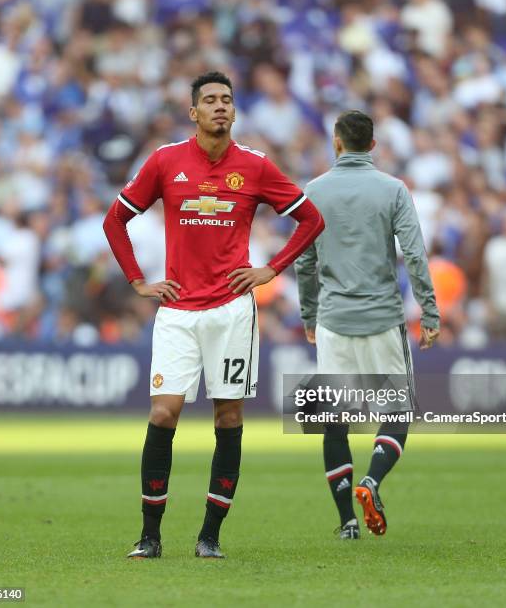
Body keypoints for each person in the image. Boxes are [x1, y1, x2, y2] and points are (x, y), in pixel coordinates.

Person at [103, 71, 324, 558]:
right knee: (164, 413)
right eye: (210, 100)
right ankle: (150, 535)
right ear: (194, 112)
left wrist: (272, 268)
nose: (220, 106)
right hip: (178, 309)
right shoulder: (165, 161)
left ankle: (210, 537)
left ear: (234, 110)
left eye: (226, 99)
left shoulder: (256, 166)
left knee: (227, 416)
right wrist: (139, 281)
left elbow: (312, 218)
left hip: (231, 311)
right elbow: (114, 219)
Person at [294, 110, 439, 539]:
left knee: (333, 421)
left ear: (336, 142)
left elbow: (305, 260)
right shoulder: (393, 189)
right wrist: (429, 312)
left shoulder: (314, 191)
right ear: (372, 146)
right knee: (397, 412)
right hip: (382, 318)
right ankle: (371, 481)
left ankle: (347, 523)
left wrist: (309, 315)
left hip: (334, 321)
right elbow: (414, 254)